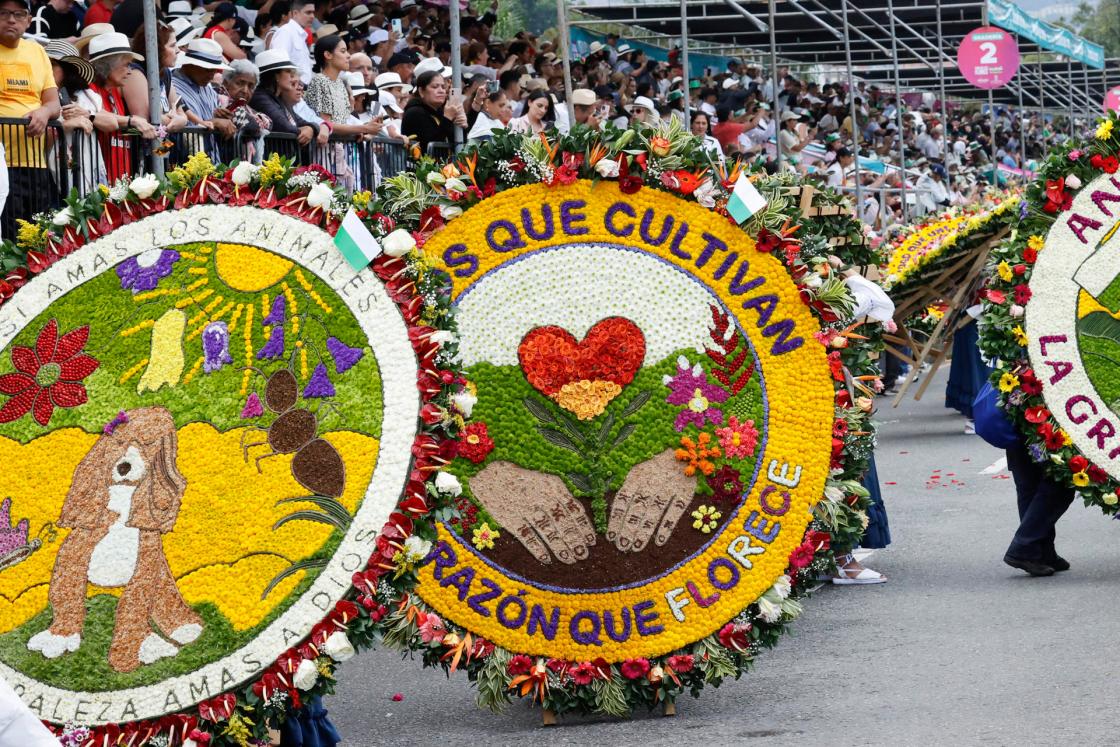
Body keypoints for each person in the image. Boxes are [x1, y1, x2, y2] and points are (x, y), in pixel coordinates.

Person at [0, 0, 60, 239]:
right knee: (7, 242)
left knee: (36, 242)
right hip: (2, 166)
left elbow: (54, 103)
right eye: (4, 13)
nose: (11, 19)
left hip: (35, 163)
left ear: (28, 20)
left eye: (18, 14)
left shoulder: (36, 51)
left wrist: (44, 113)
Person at [87, 31, 156, 182]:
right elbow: (97, 115)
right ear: (107, 65)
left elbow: (121, 126)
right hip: (98, 182)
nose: (130, 71)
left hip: (121, 179)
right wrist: (133, 120)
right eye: (126, 65)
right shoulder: (89, 89)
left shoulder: (115, 92)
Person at [250, 49, 327, 147]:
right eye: (288, 71)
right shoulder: (260, 97)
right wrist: (306, 130)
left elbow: (302, 122)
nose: (293, 77)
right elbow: (285, 127)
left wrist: (311, 128)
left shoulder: (278, 99)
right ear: (275, 76)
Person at [172, 37, 233, 160]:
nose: (211, 76)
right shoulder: (172, 87)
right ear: (189, 64)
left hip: (211, 164)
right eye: (207, 70)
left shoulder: (209, 89)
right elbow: (177, 131)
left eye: (214, 70)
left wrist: (220, 119)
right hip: (183, 167)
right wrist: (213, 123)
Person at [401, 69, 465, 153]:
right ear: (421, 91)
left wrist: (463, 126)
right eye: (435, 87)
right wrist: (447, 119)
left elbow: (459, 143)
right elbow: (431, 145)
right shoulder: (414, 113)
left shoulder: (441, 112)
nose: (441, 91)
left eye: (443, 87)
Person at [270, 0, 315, 84]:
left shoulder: (299, 35)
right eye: (308, 12)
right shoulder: (286, 32)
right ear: (295, 13)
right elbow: (279, 65)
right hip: (291, 89)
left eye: (313, 13)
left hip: (300, 89)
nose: (312, 16)